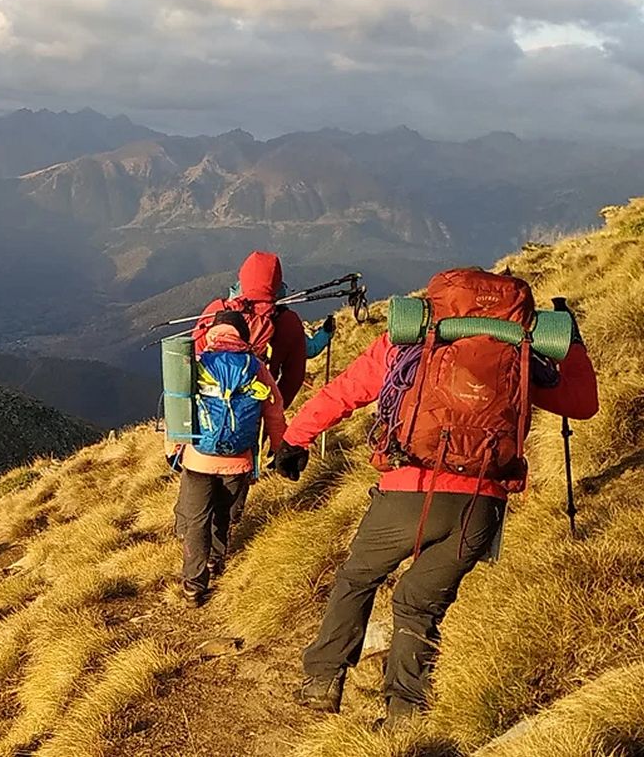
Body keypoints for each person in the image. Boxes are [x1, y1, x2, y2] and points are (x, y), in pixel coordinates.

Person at [270, 268, 599, 724]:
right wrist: (575, 345)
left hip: (409, 488)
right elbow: (583, 404)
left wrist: (295, 441)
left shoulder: (411, 342)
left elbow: (344, 393)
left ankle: (323, 679)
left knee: (358, 579)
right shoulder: (518, 352)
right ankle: (405, 712)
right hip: (480, 503)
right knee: (419, 604)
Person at [176, 310, 286, 606]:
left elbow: (178, 405)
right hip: (239, 459)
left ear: (213, 333)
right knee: (223, 512)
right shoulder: (255, 367)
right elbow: (274, 410)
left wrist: (174, 447)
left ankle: (193, 586)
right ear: (243, 336)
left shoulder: (198, 364)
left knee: (196, 521)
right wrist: (279, 448)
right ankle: (215, 560)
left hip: (199, 457)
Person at [192, 252, 316, 410]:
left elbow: (193, 356)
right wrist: (273, 411)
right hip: (256, 408)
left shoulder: (217, 311)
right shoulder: (288, 322)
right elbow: (293, 378)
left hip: (209, 407)